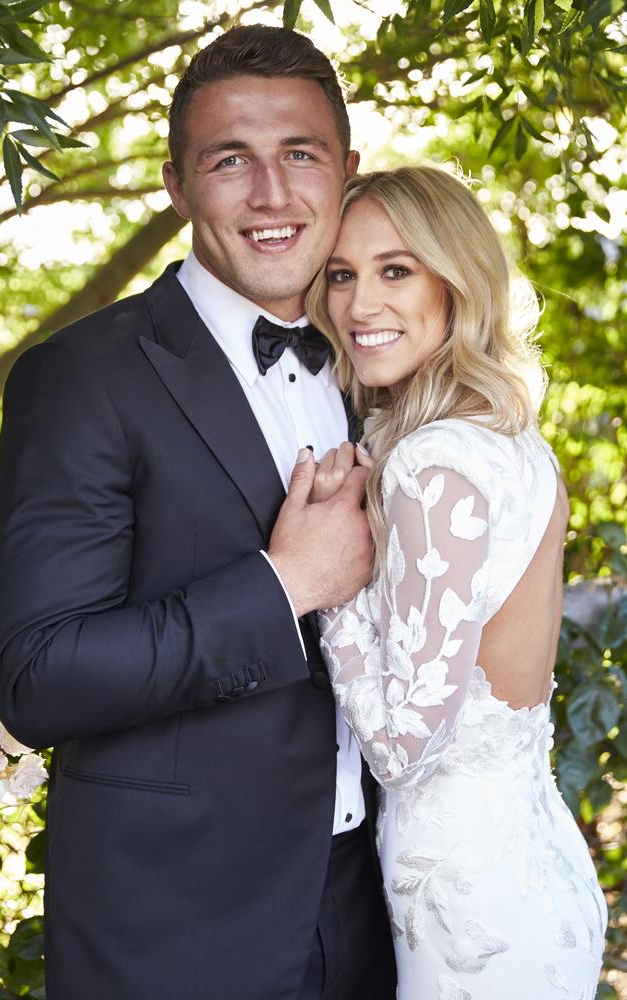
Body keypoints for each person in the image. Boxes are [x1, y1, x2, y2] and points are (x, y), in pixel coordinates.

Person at [0, 25, 396, 1000]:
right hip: (175, 933)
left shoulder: (383, 371)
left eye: (298, 154)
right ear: (176, 186)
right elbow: (41, 678)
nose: (269, 193)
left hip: (376, 917)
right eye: (229, 161)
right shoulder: (80, 378)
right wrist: (283, 584)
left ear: (345, 171)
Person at [306, 165, 608, 999]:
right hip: (528, 869)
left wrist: (330, 586)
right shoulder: (510, 440)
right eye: (342, 274)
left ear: (457, 281)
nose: (361, 305)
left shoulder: (432, 466)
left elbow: (404, 747)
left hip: (474, 913)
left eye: (395, 269)